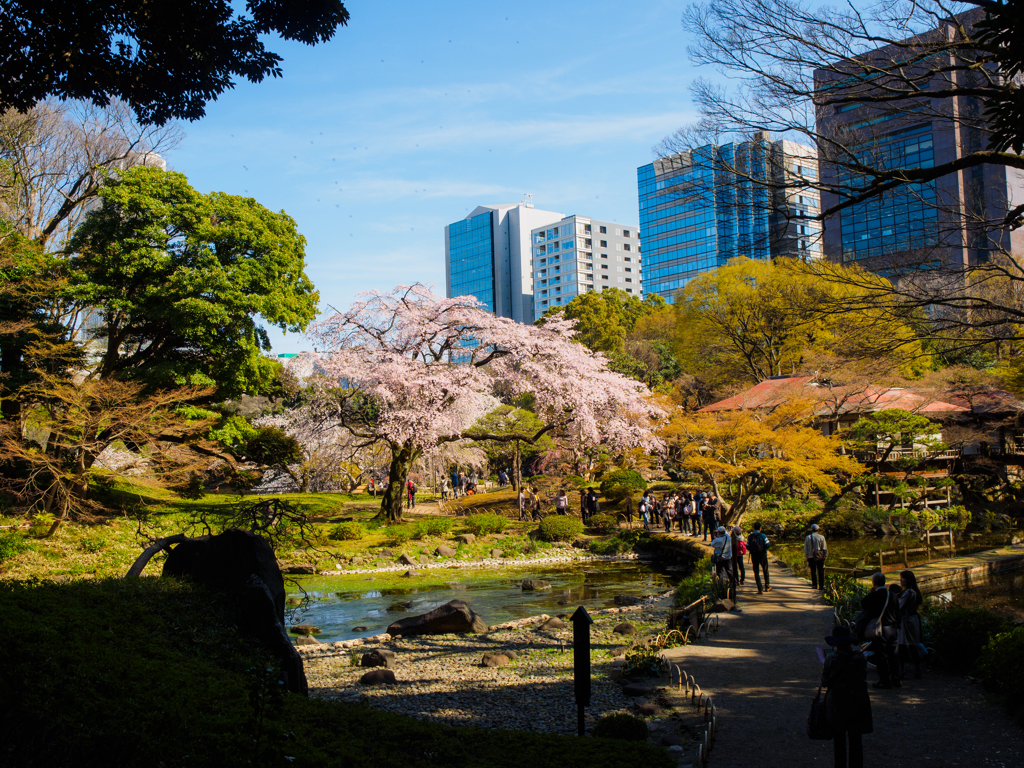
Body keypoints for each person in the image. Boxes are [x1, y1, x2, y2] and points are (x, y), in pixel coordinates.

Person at [821, 625, 872, 768]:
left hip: (838, 702)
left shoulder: (831, 659)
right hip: (857, 701)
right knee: (856, 739)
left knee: (839, 739)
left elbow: (825, 682)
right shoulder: (860, 659)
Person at [859, 572, 901, 689]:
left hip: (880, 629)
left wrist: (870, 594)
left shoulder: (875, 595)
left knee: (881, 655)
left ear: (874, 582)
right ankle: (896, 679)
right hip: (892, 628)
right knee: (893, 654)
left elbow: (864, 605)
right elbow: (898, 612)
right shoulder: (892, 595)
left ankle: (884, 680)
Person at [897, 569, 923, 680]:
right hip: (913, 619)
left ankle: (901, 670)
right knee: (913, 645)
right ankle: (917, 669)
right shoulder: (915, 592)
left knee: (902, 645)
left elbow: (899, 606)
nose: (901, 580)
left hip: (906, 620)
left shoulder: (908, 593)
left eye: (903, 578)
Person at [711, 526, 736, 601]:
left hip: (720, 557)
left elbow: (712, 544)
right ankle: (733, 582)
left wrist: (715, 537)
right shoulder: (728, 537)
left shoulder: (717, 540)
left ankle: (720, 583)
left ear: (719, 532)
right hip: (728, 557)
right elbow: (728, 533)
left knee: (720, 571)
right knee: (729, 570)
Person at [747, 522, 772, 593]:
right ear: (760, 528)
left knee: (756, 571)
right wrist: (763, 549)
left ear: (754, 528)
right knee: (765, 570)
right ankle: (767, 586)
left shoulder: (750, 536)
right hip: (762, 554)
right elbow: (767, 544)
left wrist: (752, 550)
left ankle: (760, 589)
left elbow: (747, 545)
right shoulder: (762, 535)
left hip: (754, 555)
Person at [804, 524, 828, 590]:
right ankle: (821, 586)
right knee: (821, 571)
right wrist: (825, 556)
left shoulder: (808, 537)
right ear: (818, 529)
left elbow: (805, 549)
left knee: (813, 571)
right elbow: (824, 548)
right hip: (820, 556)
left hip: (811, 556)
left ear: (811, 530)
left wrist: (806, 557)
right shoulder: (822, 537)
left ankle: (814, 585)